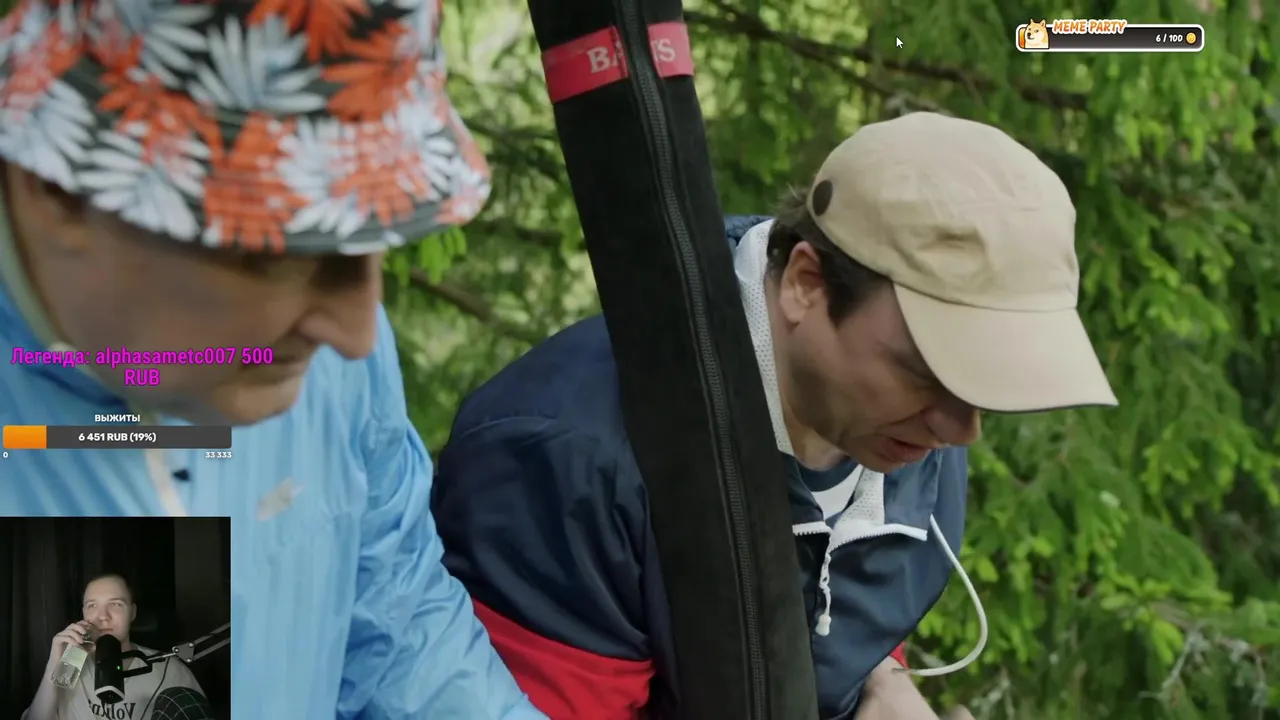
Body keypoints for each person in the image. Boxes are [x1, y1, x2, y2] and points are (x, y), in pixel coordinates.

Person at [432, 112, 1119, 719]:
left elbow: (829, 616)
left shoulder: (901, 432)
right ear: (806, 284)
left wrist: (883, 683)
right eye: (931, 371)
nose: (960, 430)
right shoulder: (568, 464)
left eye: (984, 382)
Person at [0, 0, 543, 718]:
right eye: (283, 248)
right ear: (58, 188)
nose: (357, 334)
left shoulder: (308, 355)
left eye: (373, 235)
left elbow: (397, 630)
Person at [24, 574, 204, 720]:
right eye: (92, 605)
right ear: (83, 613)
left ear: (132, 612)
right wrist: (54, 664)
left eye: (115, 604)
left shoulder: (169, 670)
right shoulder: (68, 667)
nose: (103, 616)